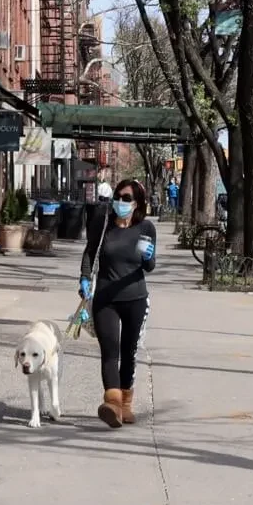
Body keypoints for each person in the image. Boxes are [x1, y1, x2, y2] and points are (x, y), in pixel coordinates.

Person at [80, 178, 157, 429]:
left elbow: (149, 266)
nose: (120, 202)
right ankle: (112, 403)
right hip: (105, 299)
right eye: (118, 196)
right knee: (110, 351)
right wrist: (83, 278)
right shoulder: (103, 224)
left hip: (135, 298)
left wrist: (148, 257)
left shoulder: (146, 228)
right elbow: (90, 251)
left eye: (126, 198)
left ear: (136, 203)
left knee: (128, 352)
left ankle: (125, 404)